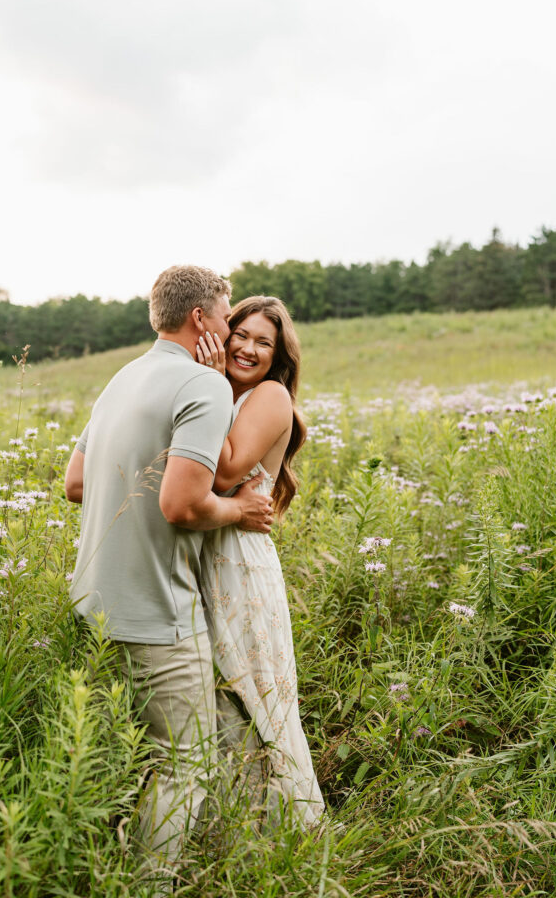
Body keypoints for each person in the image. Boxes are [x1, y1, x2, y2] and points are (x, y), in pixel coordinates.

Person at [64, 266, 274, 884]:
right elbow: (182, 505)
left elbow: (75, 484)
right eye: (227, 310)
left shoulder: (121, 378)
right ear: (202, 319)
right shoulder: (202, 388)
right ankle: (147, 884)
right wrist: (238, 509)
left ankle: (109, 861)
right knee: (188, 764)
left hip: (93, 600)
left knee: (130, 756)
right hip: (159, 614)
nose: (233, 323)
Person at [196, 295, 324, 828]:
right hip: (208, 547)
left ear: (278, 356)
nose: (247, 348)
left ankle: (277, 829)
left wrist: (206, 380)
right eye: (240, 334)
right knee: (210, 692)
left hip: (238, 563)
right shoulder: (223, 392)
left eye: (263, 342)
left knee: (248, 687)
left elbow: (222, 474)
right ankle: (222, 824)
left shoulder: (269, 397)